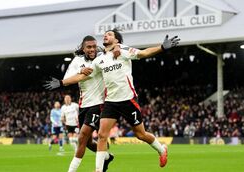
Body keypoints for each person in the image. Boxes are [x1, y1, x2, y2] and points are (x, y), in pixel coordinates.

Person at [45, 29, 180, 171]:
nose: (105, 35)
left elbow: (143, 53)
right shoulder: (99, 60)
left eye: (109, 34)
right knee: (102, 135)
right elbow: (83, 77)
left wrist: (162, 47)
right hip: (110, 102)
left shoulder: (122, 50)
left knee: (140, 134)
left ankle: (161, 149)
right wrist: (62, 82)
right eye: (105, 34)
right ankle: (98, 170)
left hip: (128, 99)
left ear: (116, 40)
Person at [45, 35, 117, 172]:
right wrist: (80, 71)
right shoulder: (77, 61)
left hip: (99, 104)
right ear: (83, 49)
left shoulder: (102, 57)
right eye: (89, 47)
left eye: (94, 46)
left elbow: (117, 48)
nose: (92, 49)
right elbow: (67, 79)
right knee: (88, 142)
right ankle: (107, 157)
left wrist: (117, 46)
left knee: (82, 137)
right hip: (84, 105)